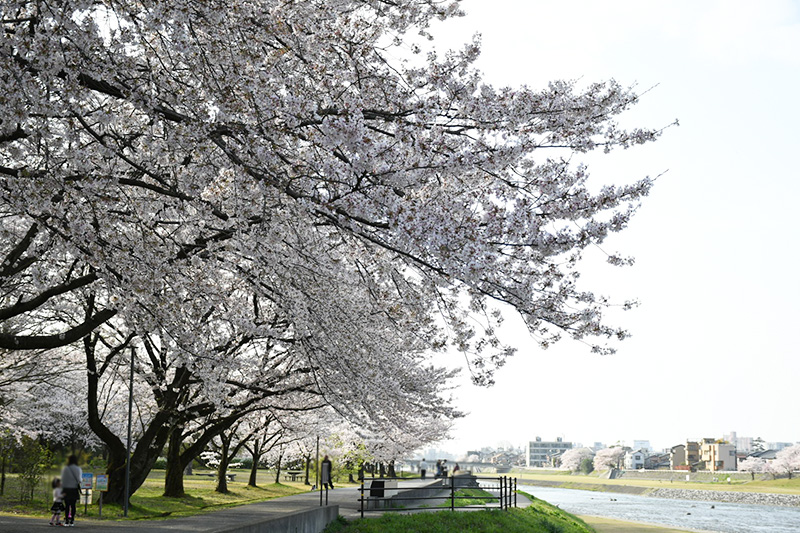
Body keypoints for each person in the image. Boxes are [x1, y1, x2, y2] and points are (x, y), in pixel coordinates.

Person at [60, 455, 82, 527]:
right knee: (73, 505)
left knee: (67, 505)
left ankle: (66, 521)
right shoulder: (78, 469)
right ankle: (72, 520)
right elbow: (79, 480)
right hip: (74, 489)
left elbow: (62, 479)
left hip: (66, 489)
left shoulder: (65, 469)